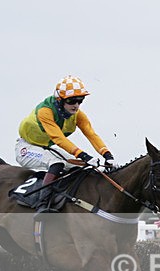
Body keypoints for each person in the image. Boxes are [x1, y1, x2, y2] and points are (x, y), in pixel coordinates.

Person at [16, 75, 122, 217]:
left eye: (80, 101)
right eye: (72, 101)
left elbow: (91, 134)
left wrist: (107, 155)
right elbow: (58, 138)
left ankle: (64, 201)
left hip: (47, 147)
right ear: (60, 100)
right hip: (27, 147)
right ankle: (42, 204)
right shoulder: (45, 112)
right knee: (57, 163)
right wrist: (84, 155)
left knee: (78, 169)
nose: (76, 105)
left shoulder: (78, 115)